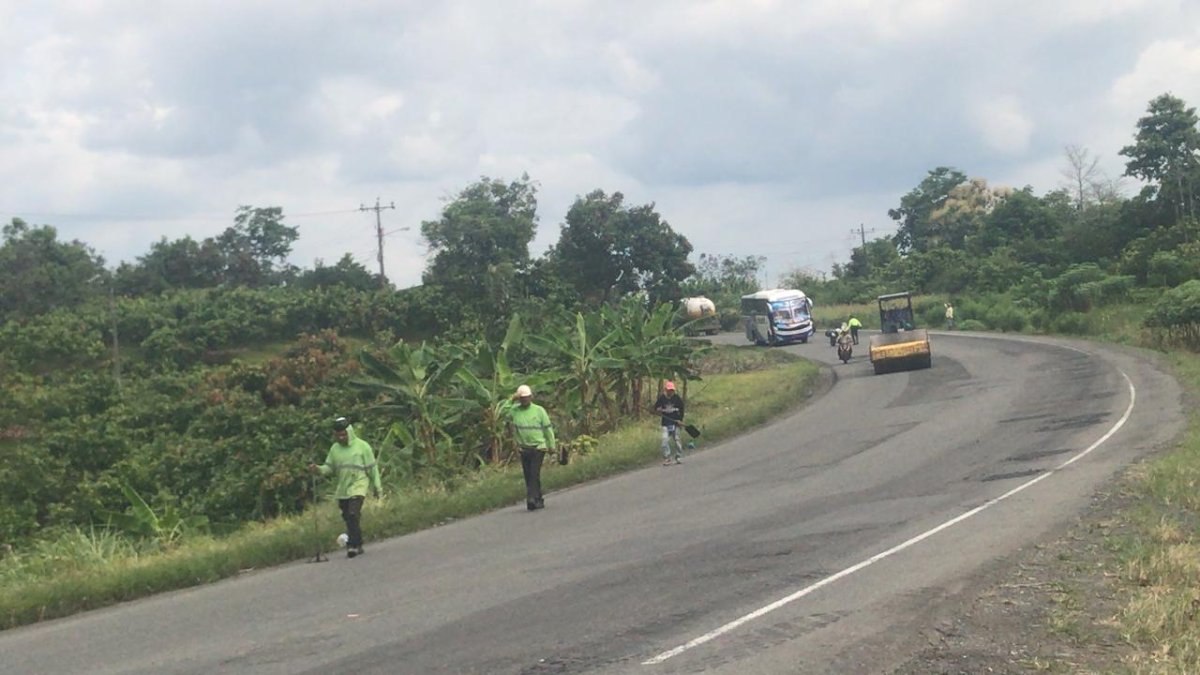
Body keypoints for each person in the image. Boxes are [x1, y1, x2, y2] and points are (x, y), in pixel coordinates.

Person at [309, 416, 381, 559]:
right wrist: (317, 469)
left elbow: (372, 468)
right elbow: (328, 468)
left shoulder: (362, 446)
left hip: (359, 485)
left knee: (353, 514)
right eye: (338, 435)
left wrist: (377, 487)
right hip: (343, 490)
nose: (341, 437)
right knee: (348, 517)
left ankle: (352, 545)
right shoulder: (335, 449)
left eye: (344, 434)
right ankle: (358, 543)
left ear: (349, 432)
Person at [507, 384, 557, 511]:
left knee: (534, 474)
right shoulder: (515, 411)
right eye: (522, 398)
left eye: (526, 397)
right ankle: (538, 499)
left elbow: (547, 428)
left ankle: (531, 499)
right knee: (528, 475)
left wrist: (552, 446)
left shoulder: (539, 410)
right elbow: (503, 411)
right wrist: (511, 399)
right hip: (523, 448)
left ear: (531, 397)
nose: (524, 400)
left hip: (538, 447)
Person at [654, 381, 686, 466]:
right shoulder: (662, 398)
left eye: (672, 390)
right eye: (669, 390)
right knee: (664, 441)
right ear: (666, 390)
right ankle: (667, 458)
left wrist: (680, 420)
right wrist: (658, 410)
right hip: (665, 423)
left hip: (675, 423)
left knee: (677, 440)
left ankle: (678, 456)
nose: (670, 392)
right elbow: (655, 407)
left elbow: (682, 409)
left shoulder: (677, 399)